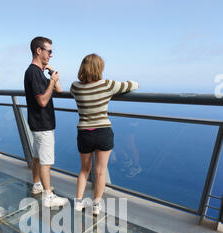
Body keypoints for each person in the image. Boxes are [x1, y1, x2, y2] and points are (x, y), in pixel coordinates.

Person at [70, 54, 139, 215]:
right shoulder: (107, 85)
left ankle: (79, 202)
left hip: (84, 133)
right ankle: (96, 205)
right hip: (103, 133)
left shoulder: (75, 87)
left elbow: (77, 92)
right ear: (99, 68)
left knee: (84, 170)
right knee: (101, 171)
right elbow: (133, 85)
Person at [24, 36, 68, 207]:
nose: (51, 55)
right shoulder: (33, 73)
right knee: (46, 160)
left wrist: (51, 73)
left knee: (37, 156)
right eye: (49, 51)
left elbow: (59, 89)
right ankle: (48, 196)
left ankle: (37, 185)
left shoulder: (39, 72)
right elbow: (42, 101)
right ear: (39, 50)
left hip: (38, 123)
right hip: (43, 123)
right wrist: (51, 82)